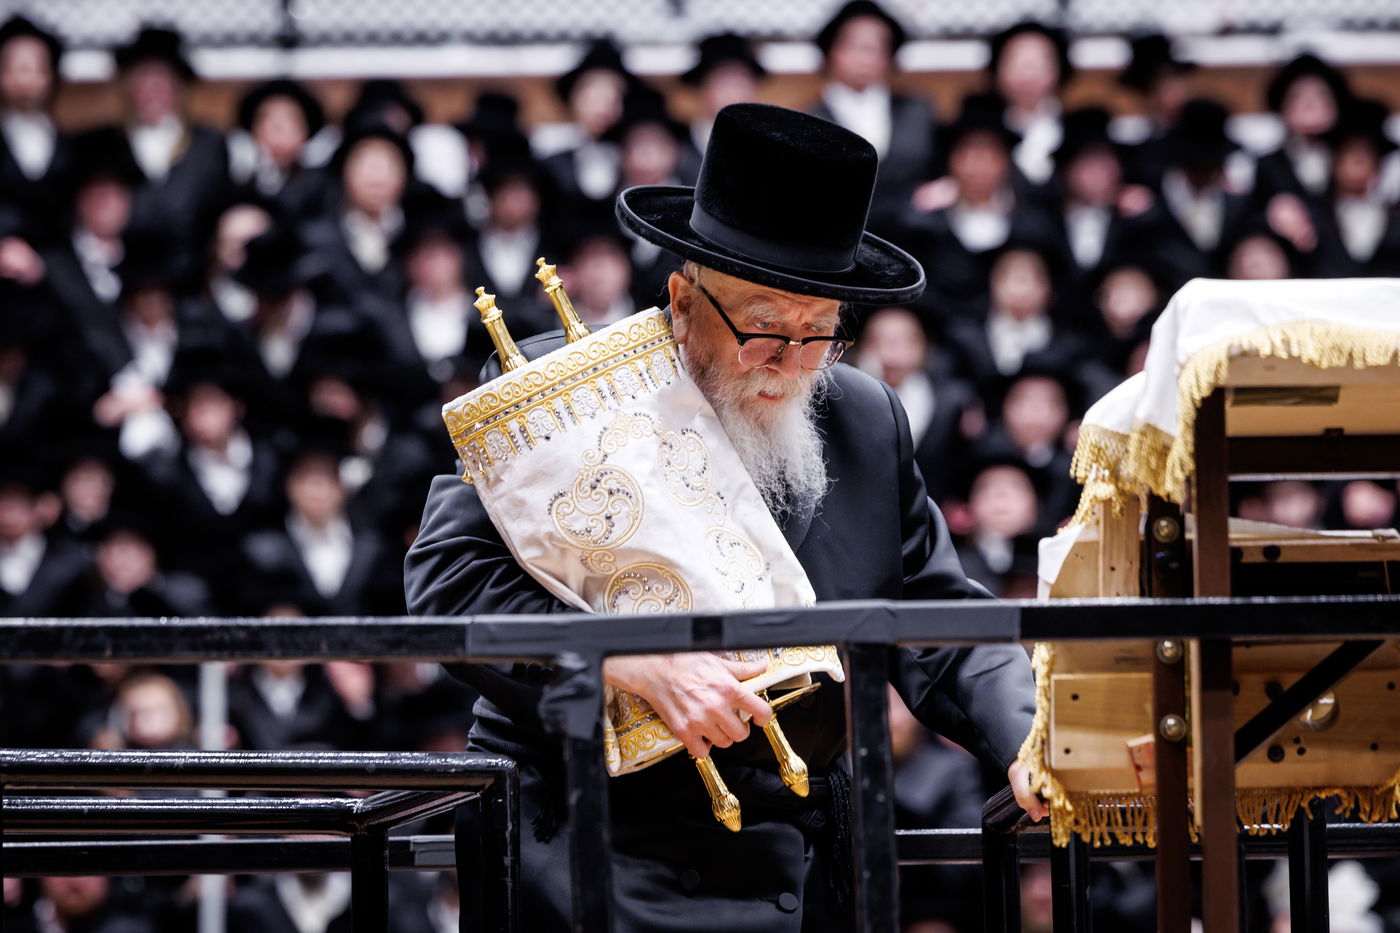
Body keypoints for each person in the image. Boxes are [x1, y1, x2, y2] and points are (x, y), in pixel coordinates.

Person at [404, 102, 1043, 932]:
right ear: (682, 299)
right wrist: (624, 658)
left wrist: (1034, 739)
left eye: (820, 332)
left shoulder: (863, 416)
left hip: (796, 860)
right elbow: (448, 585)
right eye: (764, 327)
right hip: (589, 846)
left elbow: (936, 618)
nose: (791, 364)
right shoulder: (560, 394)